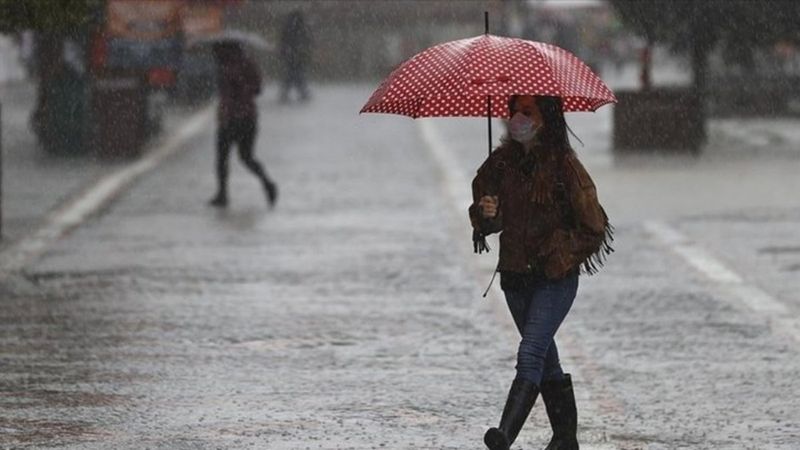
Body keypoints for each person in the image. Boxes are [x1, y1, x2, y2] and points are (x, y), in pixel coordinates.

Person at [470, 95, 613, 450]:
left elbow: (594, 226)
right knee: (546, 358)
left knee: (531, 351)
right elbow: (489, 219)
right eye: (513, 110)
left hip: (554, 280)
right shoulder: (499, 166)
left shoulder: (565, 166)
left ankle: (504, 434)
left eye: (527, 111)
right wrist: (485, 214)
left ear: (545, 119)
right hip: (515, 280)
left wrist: (560, 254)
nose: (517, 118)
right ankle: (565, 439)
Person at [209, 41, 277, 208]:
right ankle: (266, 182)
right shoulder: (248, 63)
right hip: (247, 118)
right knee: (246, 157)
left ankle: (223, 194)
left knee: (223, 158)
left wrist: (239, 86)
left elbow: (250, 89)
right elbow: (258, 89)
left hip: (232, 118)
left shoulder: (228, 66)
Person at [278, 9, 311, 103]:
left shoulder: (288, 28)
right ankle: (302, 92)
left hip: (291, 56)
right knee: (298, 75)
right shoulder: (302, 28)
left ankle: (286, 93)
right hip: (298, 56)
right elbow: (307, 41)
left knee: (290, 75)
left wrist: (284, 52)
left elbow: (283, 41)